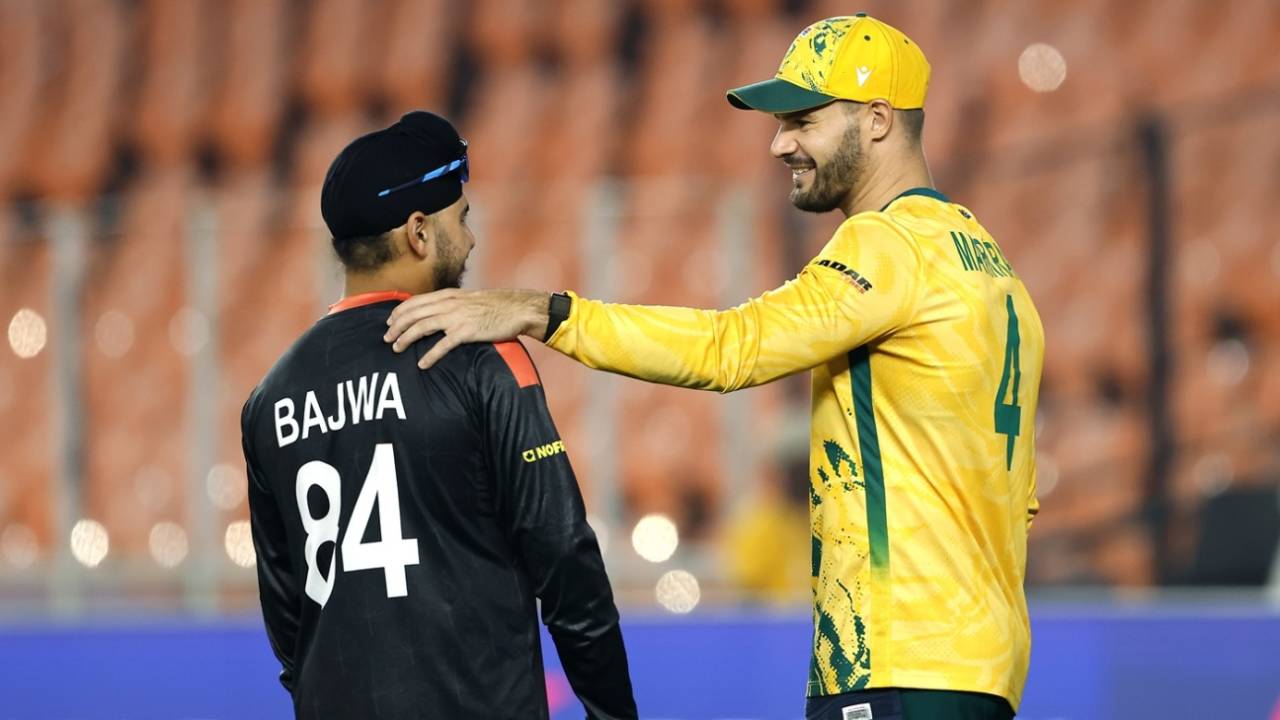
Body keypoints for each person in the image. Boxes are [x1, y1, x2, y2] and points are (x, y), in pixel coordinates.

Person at [384, 15, 1045, 720]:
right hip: (979, 664)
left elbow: (733, 347)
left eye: (803, 120)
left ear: (878, 119)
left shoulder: (886, 245)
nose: (779, 142)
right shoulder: (990, 266)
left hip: (899, 660)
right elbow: (1022, 497)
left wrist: (547, 313)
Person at [241, 111, 637, 720]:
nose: (473, 239)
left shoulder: (269, 399)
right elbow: (563, 558)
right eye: (464, 218)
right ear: (419, 232)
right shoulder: (481, 357)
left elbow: (288, 614)